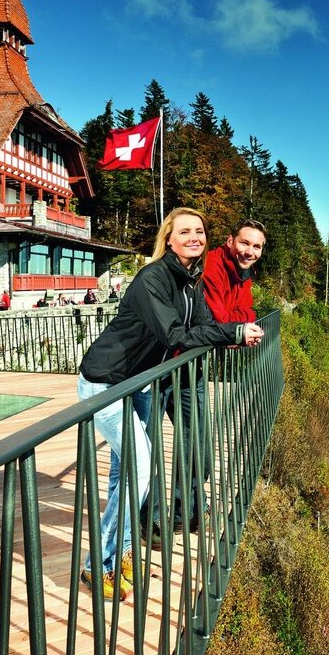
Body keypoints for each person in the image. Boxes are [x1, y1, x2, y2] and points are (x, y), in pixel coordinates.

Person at [77, 207, 263, 599]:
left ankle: (121, 552)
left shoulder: (188, 280)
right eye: (185, 231)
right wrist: (233, 330)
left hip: (139, 384)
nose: (194, 237)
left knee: (122, 476)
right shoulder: (153, 279)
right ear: (170, 238)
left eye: (199, 231)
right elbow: (176, 334)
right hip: (107, 382)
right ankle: (98, 565)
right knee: (140, 468)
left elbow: (201, 326)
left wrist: (229, 328)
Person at [203, 219, 266, 323]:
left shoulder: (244, 270)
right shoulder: (212, 264)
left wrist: (247, 314)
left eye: (256, 247)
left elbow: (247, 308)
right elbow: (221, 320)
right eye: (245, 243)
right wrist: (249, 315)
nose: (249, 252)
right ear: (230, 241)